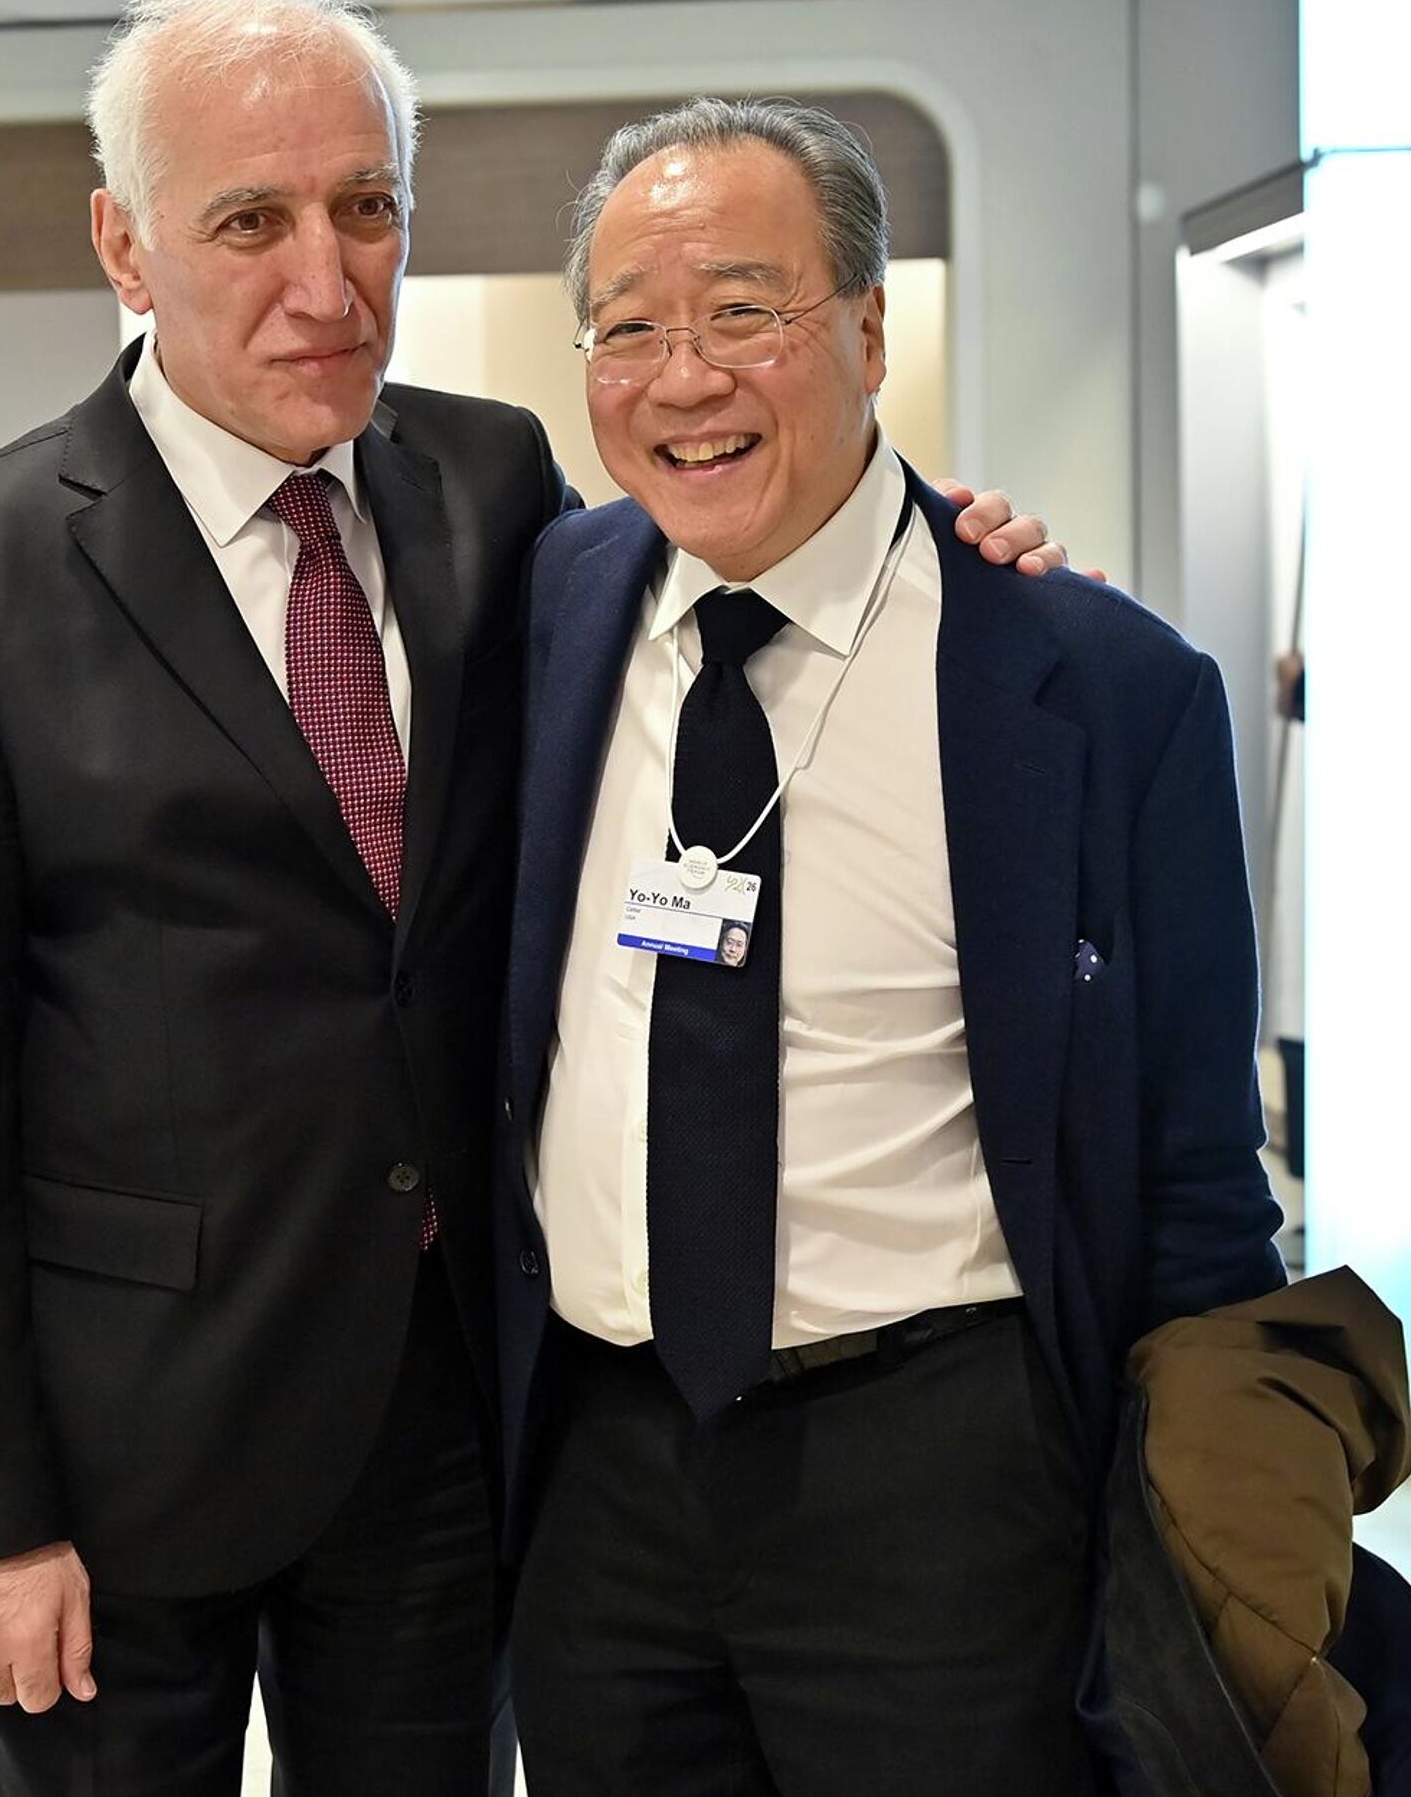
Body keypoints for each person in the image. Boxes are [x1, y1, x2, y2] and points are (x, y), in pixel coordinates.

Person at [0, 0, 1064, 1797]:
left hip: (441, 1427)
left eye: (368, 207)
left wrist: (951, 550)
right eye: (250, 220)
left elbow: (733, 562)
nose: (328, 283)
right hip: (117, 1452)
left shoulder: (491, 484)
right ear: (125, 243)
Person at [495, 98, 1286, 1797]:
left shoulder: (1101, 688)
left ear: (866, 329)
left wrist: (1225, 1545)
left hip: (941, 1478)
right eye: (628, 329)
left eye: (743, 312)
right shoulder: (546, 605)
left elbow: (1199, 1172)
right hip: (600, 1477)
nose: (682, 377)